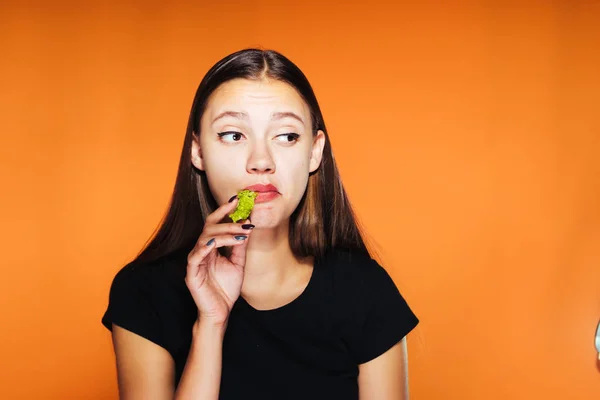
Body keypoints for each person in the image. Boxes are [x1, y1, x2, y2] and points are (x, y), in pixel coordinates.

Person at [101, 48, 419, 399]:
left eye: (286, 136)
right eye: (234, 135)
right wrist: (211, 324)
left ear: (314, 152)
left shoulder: (365, 292)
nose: (261, 162)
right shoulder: (143, 293)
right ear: (198, 151)